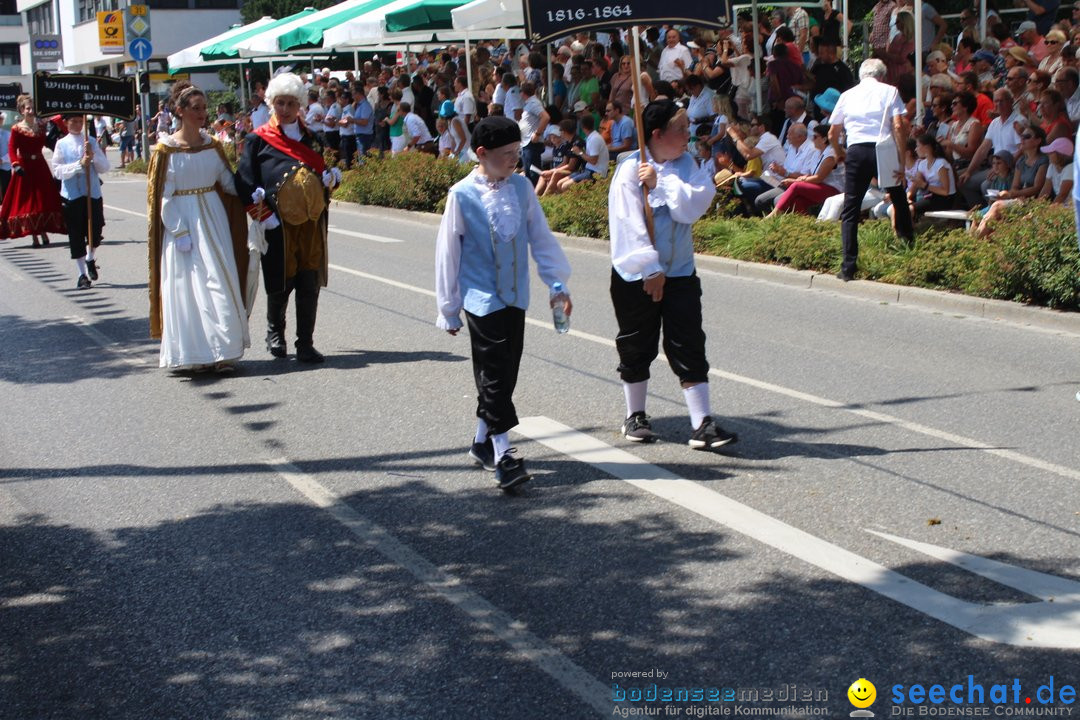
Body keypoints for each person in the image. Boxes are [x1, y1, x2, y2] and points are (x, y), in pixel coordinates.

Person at [434, 116, 573, 491]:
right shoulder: (461, 194)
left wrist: (557, 284)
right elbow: (448, 254)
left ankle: (481, 442)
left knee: (505, 373)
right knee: (494, 375)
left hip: (516, 296)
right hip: (481, 299)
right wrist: (448, 307)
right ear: (482, 153)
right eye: (507, 154)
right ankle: (504, 454)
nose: (515, 160)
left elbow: (540, 238)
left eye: (517, 152)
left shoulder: (523, 189)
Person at [608, 99, 738, 450]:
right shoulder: (629, 169)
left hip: (680, 272)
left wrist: (662, 184)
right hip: (637, 275)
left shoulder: (686, 165)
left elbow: (696, 205)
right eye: (680, 129)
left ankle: (703, 424)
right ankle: (635, 415)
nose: (687, 134)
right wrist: (650, 269)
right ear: (657, 133)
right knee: (637, 342)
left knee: (689, 341)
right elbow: (628, 225)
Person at [235, 72, 341, 364]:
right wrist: (263, 215)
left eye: (290, 103)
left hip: (311, 223)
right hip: (277, 224)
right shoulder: (257, 141)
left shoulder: (312, 138)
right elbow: (243, 183)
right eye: (279, 103)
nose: (284, 109)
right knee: (281, 280)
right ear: (271, 104)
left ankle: (305, 343)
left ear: (300, 106)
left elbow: (324, 174)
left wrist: (333, 178)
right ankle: (275, 334)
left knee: (309, 282)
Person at [147, 82, 251, 373]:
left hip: (212, 219)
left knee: (218, 281)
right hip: (182, 220)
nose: (203, 114)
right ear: (179, 111)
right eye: (196, 109)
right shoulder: (166, 150)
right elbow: (162, 195)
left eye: (204, 108)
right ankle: (192, 354)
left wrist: (252, 188)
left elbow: (227, 183)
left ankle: (223, 352)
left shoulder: (211, 146)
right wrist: (178, 230)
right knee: (186, 286)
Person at [828, 59, 914, 281]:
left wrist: (839, 152)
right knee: (898, 198)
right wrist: (901, 160)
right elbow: (898, 126)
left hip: (856, 150)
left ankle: (848, 266)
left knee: (850, 207)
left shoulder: (847, 95)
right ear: (882, 76)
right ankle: (908, 250)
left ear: (861, 75)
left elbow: (832, 132)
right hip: (882, 149)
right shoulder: (890, 91)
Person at [51, 114, 110, 290]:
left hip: (92, 194)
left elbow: (104, 167)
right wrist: (78, 165)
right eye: (73, 122)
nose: (77, 125)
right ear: (66, 123)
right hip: (72, 195)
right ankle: (81, 274)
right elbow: (57, 171)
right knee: (76, 234)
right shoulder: (61, 144)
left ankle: (90, 258)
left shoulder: (90, 140)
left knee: (95, 230)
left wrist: (93, 156)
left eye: (80, 121)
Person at [0, 94, 65, 246]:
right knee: (28, 200)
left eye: (33, 108)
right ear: (22, 110)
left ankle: (43, 230)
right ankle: (34, 234)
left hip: (39, 165)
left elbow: (53, 141)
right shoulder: (17, 128)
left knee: (43, 198)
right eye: (28, 108)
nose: (31, 111)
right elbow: (11, 148)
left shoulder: (41, 126)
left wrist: (58, 122)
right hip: (24, 166)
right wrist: (15, 164)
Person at [765, 124, 845, 216]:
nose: (812, 139)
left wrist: (796, 180)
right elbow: (812, 174)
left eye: (815, 137)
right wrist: (801, 179)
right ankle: (806, 224)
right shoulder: (817, 152)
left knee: (796, 186)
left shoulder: (831, 154)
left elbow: (819, 178)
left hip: (834, 189)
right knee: (797, 201)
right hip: (820, 186)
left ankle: (774, 214)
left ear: (824, 139)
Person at [906, 134, 957, 217]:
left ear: (926, 148)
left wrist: (924, 185)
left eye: (918, 146)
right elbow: (916, 184)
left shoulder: (941, 164)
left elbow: (945, 192)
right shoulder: (922, 164)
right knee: (903, 207)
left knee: (909, 210)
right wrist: (907, 197)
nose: (915, 149)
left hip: (944, 199)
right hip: (932, 196)